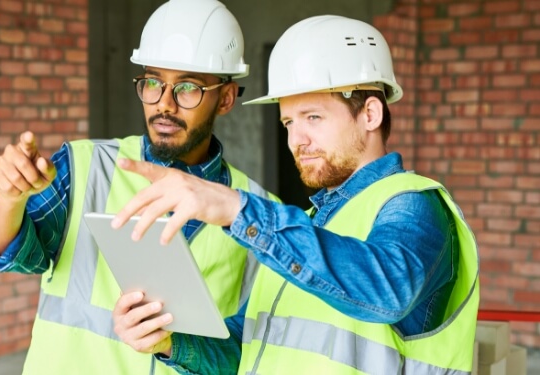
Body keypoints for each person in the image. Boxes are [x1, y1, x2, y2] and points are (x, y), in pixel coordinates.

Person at [111, 15, 480, 375]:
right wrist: (170, 344)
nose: (296, 141)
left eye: (313, 117)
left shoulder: (414, 204)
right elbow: (245, 349)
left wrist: (234, 208)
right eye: (289, 122)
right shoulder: (307, 226)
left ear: (370, 114)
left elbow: (387, 291)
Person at [0, 0, 278, 374]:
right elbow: (5, 253)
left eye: (188, 88)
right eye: (153, 82)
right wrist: (10, 198)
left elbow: (244, 354)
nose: (164, 105)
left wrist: (174, 346)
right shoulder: (86, 165)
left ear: (225, 98)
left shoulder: (257, 211)